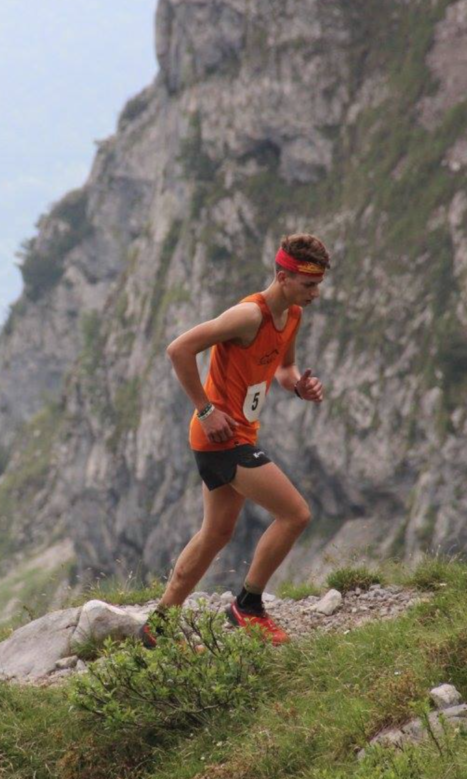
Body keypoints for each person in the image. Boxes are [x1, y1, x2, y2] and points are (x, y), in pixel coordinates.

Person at [139, 233, 330, 648]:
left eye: (317, 285)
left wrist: (299, 387)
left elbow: (285, 368)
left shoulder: (291, 314)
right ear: (282, 276)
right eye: (308, 284)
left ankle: (157, 627)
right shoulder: (248, 316)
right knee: (296, 514)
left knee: (216, 533)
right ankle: (248, 606)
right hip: (223, 437)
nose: (316, 293)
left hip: (239, 433)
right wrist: (206, 411)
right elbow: (179, 350)